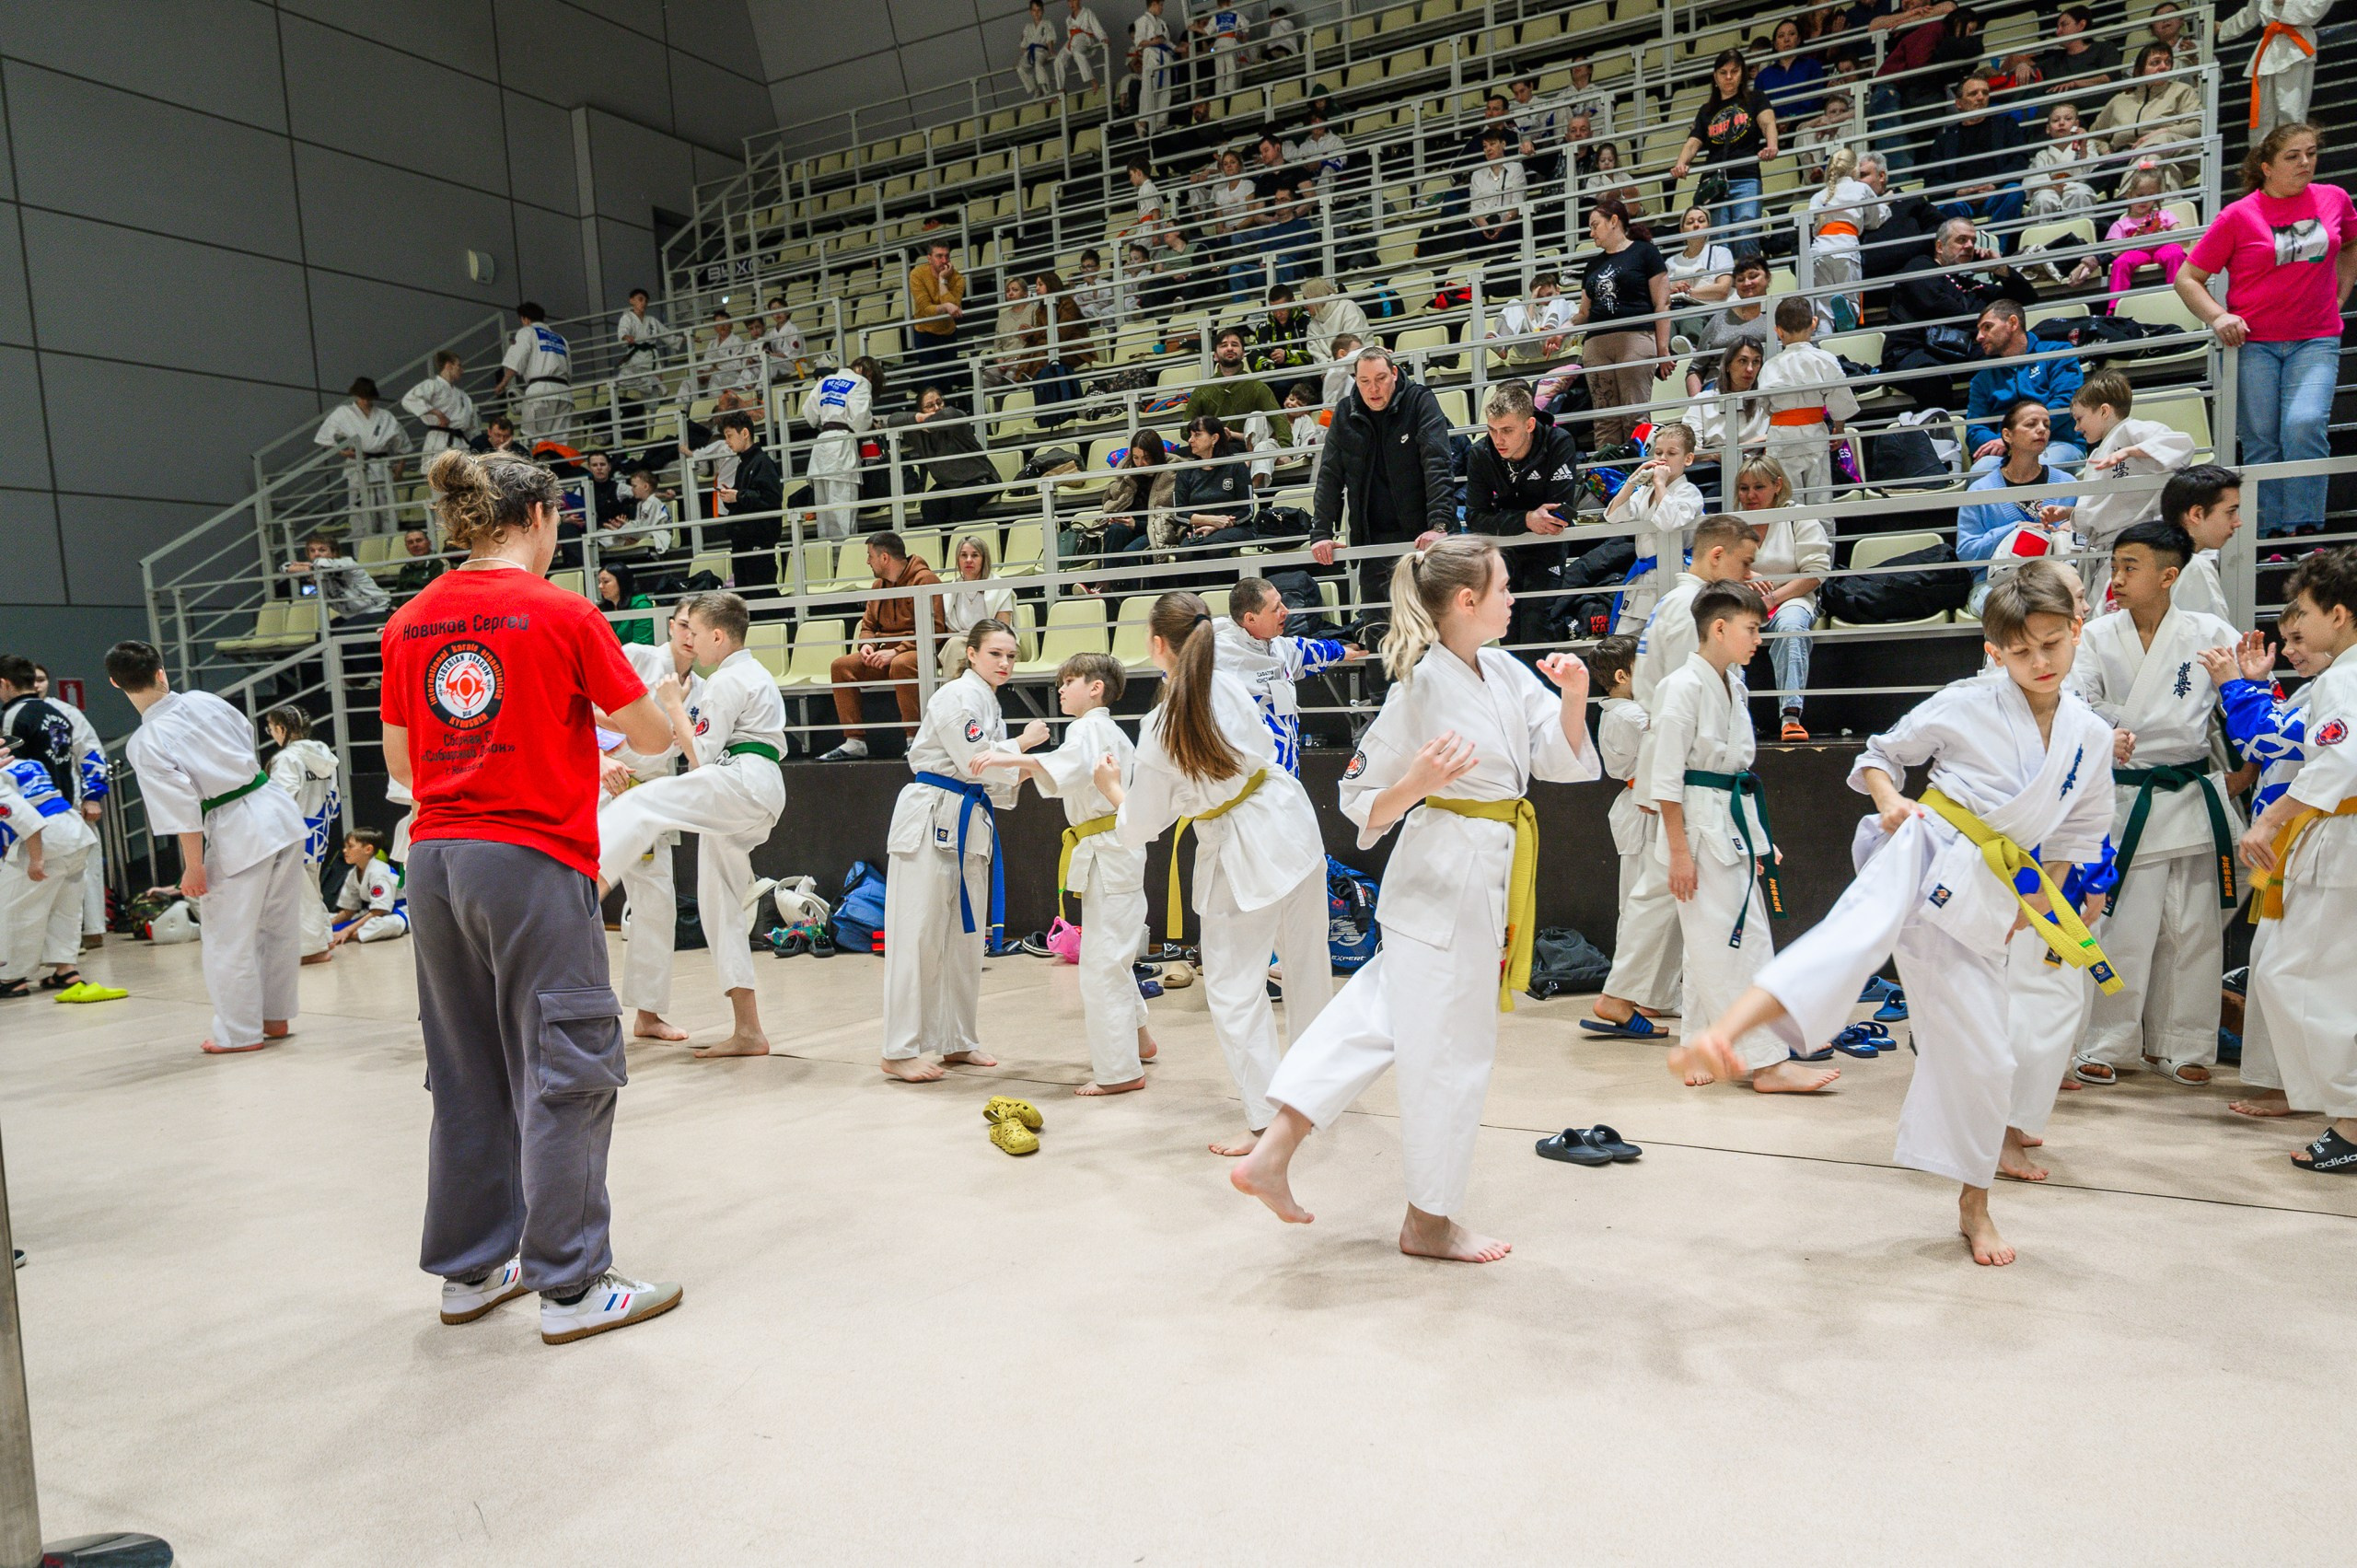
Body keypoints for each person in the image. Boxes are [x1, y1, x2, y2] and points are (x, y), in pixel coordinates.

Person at [1674, 563, 2119, 1266]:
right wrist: (1888, 801)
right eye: (2023, 649)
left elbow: (2073, 837)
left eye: (2052, 644)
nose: (2039, 661)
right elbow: (1880, 756)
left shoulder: (2090, 736)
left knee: (1988, 1058)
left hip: (1989, 894)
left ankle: (1975, 1207)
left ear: (2076, 632)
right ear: (1996, 649)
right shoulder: (1968, 701)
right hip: (1925, 844)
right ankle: (1726, 1032)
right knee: (1849, 939)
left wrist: (2035, 906)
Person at [377, 447, 684, 1344]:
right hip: (528, 855)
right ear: (540, 518)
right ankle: (572, 1281)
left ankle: (472, 1269)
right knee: (566, 1056)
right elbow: (650, 738)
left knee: (466, 1065)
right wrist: (656, 702)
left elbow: (400, 763)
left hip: (433, 858)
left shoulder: (409, 622)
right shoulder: (561, 612)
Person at [1231, 537, 1596, 1259]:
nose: (1512, 596)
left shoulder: (1501, 668)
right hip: (1442, 879)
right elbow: (1360, 801)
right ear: (1467, 601)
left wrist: (1577, 694)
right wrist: (1417, 782)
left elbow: (1557, 756)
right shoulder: (1420, 687)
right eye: (1502, 586)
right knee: (1449, 1052)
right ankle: (1428, 1219)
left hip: (1474, 875)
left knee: (1373, 1015)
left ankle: (1272, 1152)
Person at [1091, 593, 1333, 1154]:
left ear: (1156, 644)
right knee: (1306, 969)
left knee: (1232, 989)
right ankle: (1317, 1098)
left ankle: (1264, 1121)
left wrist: (1113, 792)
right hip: (1290, 822)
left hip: (1241, 847)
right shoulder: (1224, 685)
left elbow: (1142, 825)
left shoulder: (1162, 722)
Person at [2065, 519, 2241, 1087]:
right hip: (2124, 793)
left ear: (2169, 575)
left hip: (2189, 792)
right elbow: (2075, 701)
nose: (2114, 579)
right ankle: (2107, 1042)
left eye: (2129, 567)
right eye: (2114, 567)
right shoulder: (2094, 636)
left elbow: (2240, 703)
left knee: (2193, 927)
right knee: (2123, 927)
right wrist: (2103, 732)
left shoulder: (2210, 631)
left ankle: (2185, 1044)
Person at [1649, 578, 1835, 1094]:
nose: (1759, 638)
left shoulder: (1734, 684)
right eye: (1753, 629)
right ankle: (1767, 1063)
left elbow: (1736, 774)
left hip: (1729, 821)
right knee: (1739, 942)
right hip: (1697, 828)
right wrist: (1679, 853)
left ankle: (1696, 1046)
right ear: (1720, 627)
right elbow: (1665, 780)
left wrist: (1756, 838)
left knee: (1710, 943)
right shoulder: (1681, 687)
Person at [1585, 515, 1759, 1038]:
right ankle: (1634, 997)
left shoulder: (1676, 601)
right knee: (1665, 885)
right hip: (1684, 770)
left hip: (1675, 764)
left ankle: (1630, 995)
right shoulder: (1693, 613)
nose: (1749, 575)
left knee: (1660, 889)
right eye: (1745, 563)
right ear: (1716, 555)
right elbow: (1689, 695)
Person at [596, 592, 784, 1061]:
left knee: (641, 805)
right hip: (748, 790)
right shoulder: (742, 673)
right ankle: (748, 1029)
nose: (690, 642)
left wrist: (673, 706)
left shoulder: (722, 681)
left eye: (696, 633)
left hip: (737, 780)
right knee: (718, 902)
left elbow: (699, 761)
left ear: (717, 636)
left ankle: (586, 885)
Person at [107, 640, 307, 1053]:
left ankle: (239, 1033)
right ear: (161, 671)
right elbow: (245, 734)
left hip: (237, 829)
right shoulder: (204, 700)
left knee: (227, 938)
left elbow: (182, 809)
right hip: (277, 811)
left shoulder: (146, 742)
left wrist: (193, 867)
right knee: (278, 927)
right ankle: (275, 1018)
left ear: (115, 683)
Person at [979, 652, 1158, 1095]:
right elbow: (1070, 771)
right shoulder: (1109, 731)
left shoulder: (1090, 727)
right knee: (1111, 955)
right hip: (1110, 850)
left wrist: (1006, 759)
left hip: (1109, 849)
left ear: (1096, 688)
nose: (1061, 689)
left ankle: (1121, 1072)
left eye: (1070, 680)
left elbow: (1065, 765)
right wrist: (1020, 771)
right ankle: (1141, 1040)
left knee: (1102, 965)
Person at [877, 620, 1046, 1080]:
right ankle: (898, 1048)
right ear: (971, 654)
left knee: (964, 941)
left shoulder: (988, 704)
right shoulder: (955, 697)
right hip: (932, 813)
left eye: (1011, 656)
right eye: (995, 654)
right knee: (918, 933)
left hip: (970, 819)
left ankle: (957, 1041)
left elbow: (992, 773)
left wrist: (1027, 767)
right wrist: (1025, 747)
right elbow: (977, 760)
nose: (1005, 663)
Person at [2177, 123, 2355, 540]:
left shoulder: (2335, 198)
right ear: (2267, 167)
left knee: (2304, 424)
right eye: (2293, 156)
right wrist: (2219, 317)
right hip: (2253, 343)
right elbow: (2188, 277)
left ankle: (2305, 532)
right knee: (2260, 441)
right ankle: (2268, 535)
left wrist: (2343, 292)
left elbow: (2350, 243)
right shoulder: (2239, 215)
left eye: (2311, 153)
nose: (2306, 163)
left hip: (2316, 337)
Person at [2240, 546, 2357, 1171]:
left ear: (2337, 614)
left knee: (2302, 977)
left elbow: (2338, 761)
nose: (2297, 633)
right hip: (2341, 835)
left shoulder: (2344, 676)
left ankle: (2352, 1121)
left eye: (2303, 617)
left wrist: (2271, 817)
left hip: (2344, 843)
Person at [598, 602, 702, 1045]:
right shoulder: (637, 655)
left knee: (657, 902)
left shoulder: (701, 688)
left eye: (698, 629)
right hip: (607, 778)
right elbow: (581, 706)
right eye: (682, 626)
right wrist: (599, 757)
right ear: (671, 627)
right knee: (585, 890)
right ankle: (581, 1006)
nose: (688, 636)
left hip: (654, 789)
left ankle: (649, 1013)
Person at [1308, 346, 1458, 614]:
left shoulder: (1420, 401)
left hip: (1422, 539)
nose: (1373, 389)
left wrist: (1439, 524)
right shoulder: (1344, 413)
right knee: (1380, 636)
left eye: (1380, 379)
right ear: (1356, 380)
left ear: (1394, 373)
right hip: (1372, 544)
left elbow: (1437, 464)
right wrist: (1321, 533)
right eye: (1365, 381)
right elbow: (1329, 475)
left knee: (1429, 631)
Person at [1464, 380, 1582, 650]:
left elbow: (1558, 515)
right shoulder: (1481, 453)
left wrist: (1506, 516)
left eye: (1507, 430)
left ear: (1529, 425)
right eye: (1492, 430)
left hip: (1547, 550)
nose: (1498, 440)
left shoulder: (1558, 442)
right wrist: (1527, 519)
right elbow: (1475, 517)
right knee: (1508, 631)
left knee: (1537, 628)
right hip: (1504, 552)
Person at [2053, 368, 2198, 587]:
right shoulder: (2098, 452)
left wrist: (2131, 452)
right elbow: (2105, 506)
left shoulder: (2132, 430)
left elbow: (2183, 445)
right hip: (2108, 546)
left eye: (2079, 418)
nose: (2076, 427)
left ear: (2104, 411)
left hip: (2139, 541)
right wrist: (2071, 515)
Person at [1584, 634, 1664, 1007]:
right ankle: (1630, 994)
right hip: (1640, 808)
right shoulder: (1630, 714)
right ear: (1621, 675)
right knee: (1639, 907)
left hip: (1643, 805)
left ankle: (1649, 993)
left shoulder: (1621, 710)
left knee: (1646, 906)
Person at [1213, 576, 1364, 772]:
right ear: (1251, 618)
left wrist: (1342, 651)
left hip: (1287, 768)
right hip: (1247, 773)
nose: (1286, 611)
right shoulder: (1216, 652)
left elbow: (1308, 650)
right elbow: (1176, 676)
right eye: (1276, 608)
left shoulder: (1277, 644)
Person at [819, 533, 946, 760]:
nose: (868, 561)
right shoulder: (878, 585)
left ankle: (915, 739)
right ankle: (854, 741)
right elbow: (867, 625)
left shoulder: (925, 580)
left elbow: (935, 630)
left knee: (901, 664)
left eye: (870, 556)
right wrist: (867, 644)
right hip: (886, 653)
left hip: (920, 651)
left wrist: (897, 650)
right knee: (841, 666)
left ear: (885, 557)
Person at [1736, 457, 1831, 741]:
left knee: (1791, 626)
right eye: (1743, 488)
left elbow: (1816, 573)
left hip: (1794, 596)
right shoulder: (1735, 523)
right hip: (1745, 603)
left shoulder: (1798, 516)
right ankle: (1735, 720)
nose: (1749, 496)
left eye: (1758, 487)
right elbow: (1717, 566)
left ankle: (1790, 716)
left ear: (1778, 486)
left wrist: (1773, 598)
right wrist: (1744, 571)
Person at [0, 738, 99, 999]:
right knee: (64, 907)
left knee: (14, 909)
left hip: (45, 840)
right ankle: (66, 970)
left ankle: (10, 978)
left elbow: (24, 816)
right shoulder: (28, 764)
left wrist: (36, 858)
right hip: (75, 834)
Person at [1959, 400, 2081, 610]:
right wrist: (2013, 530)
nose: (2042, 429)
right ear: (2007, 435)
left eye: (2046, 425)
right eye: (2031, 424)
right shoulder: (1980, 490)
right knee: (2015, 610)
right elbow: (1967, 552)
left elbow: (2088, 538)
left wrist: (2070, 533)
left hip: (2054, 581)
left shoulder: (2067, 484)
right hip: (1994, 584)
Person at [1571, 199, 1670, 452]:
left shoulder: (1645, 252)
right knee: (1604, 420)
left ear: (1614, 221)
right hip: (1596, 344)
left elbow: (1662, 302)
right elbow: (1584, 312)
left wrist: (1663, 350)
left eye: (1595, 225)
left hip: (1635, 338)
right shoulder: (1593, 265)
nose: (1591, 233)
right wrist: (1560, 330)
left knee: (1635, 416)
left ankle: (1639, 480)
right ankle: (1607, 484)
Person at [26, 662, 107, 946]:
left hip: (70, 802)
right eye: (30, 680)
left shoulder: (66, 712)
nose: (36, 685)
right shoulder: (12, 715)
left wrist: (93, 796)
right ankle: (48, 942)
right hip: (28, 808)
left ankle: (93, 930)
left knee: (86, 868)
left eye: (41, 679)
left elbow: (91, 752)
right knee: (37, 872)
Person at [1670, 50, 1779, 260]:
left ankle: (1750, 284)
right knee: (1720, 241)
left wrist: (1772, 145)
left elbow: (1767, 122)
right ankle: (1726, 287)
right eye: (1723, 72)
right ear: (1715, 77)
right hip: (1715, 182)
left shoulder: (1756, 98)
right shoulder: (1706, 111)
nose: (1729, 77)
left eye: (1734, 71)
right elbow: (1693, 142)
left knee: (1747, 232)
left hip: (1746, 176)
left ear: (1742, 74)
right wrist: (1681, 164)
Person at [1754, 296, 1858, 503]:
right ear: (1814, 323)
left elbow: (1765, 405)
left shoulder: (1770, 367)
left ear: (1778, 331)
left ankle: (1792, 536)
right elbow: (1840, 400)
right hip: (1814, 433)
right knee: (1820, 499)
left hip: (1781, 435)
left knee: (1787, 501)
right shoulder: (1824, 359)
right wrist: (1839, 428)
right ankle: (1822, 535)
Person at [1606, 423, 1705, 634]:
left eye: (1672, 453)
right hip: (1644, 578)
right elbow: (1614, 516)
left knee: (1668, 644)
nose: (1663, 458)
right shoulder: (1644, 492)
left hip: (1676, 573)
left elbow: (1669, 522)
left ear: (1688, 459)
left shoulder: (1689, 492)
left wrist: (1660, 484)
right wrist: (1632, 482)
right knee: (1623, 641)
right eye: (1659, 452)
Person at [261, 704, 340, 964]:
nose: (271, 733)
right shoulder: (323, 755)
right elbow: (334, 799)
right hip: (319, 832)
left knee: (300, 893)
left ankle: (313, 949)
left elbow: (282, 801)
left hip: (293, 834)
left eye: (271, 728)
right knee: (311, 889)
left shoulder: (286, 759)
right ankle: (325, 937)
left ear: (282, 729)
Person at [1965, 300, 2085, 468]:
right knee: (1981, 469)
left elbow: (2066, 404)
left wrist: (2016, 439)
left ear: (2013, 323)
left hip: (2058, 443)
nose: (1979, 337)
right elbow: (1975, 430)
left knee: (2038, 466)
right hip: (2006, 451)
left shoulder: (2057, 354)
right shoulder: (1982, 379)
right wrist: (2008, 444)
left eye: (1987, 327)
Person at [2093, 43, 2201, 189]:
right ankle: (2151, 206)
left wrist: (2162, 132)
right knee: (2168, 173)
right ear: (2140, 70)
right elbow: (2095, 134)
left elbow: (2198, 126)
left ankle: (2127, 198)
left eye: (2168, 62)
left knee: (2160, 141)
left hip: (2179, 153)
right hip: (2130, 160)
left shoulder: (2182, 90)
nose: (2164, 67)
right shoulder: (2119, 100)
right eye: (2155, 62)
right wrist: (2106, 152)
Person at [314, 377, 412, 537]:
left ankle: (393, 553)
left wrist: (400, 468)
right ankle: (363, 554)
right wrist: (342, 452)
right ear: (356, 395)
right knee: (361, 514)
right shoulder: (343, 413)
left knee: (389, 512)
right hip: (358, 466)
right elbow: (324, 438)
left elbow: (403, 445)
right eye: (362, 397)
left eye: (368, 397)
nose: (365, 401)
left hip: (382, 467)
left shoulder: (385, 416)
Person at [1925, 75, 2028, 226]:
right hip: (1960, 200)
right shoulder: (1945, 139)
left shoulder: (2005, 126)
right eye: (1973, 93)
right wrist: (1959, 191)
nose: (1981, 97)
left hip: (1996, 193)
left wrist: (1994, 185)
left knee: (2014, 191)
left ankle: (1997, 246)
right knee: (1946, 207)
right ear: (1958, 103)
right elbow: (1932, 180)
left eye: (1985, 93)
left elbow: (2020, 160)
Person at [2152, 466, 2245, 625]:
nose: (2237, 522)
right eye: (2230, 512)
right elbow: (2215, 642)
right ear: (2196, 514)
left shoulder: (2130, 562)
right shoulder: (2193, 566)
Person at [798, 356, 878, 543]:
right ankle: (842, 563)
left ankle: (828, 565)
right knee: (844, 517)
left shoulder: (826, 380)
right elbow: (860, 422)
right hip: (842, 446)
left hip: (821, 447)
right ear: (869, 373)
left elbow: (809, 414)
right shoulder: (860, 382)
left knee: (824, 519)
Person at [1806, 146, 1887, 330]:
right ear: (1854, 169)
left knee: (1823, 311)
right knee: (1851, 299)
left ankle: (1824, 340)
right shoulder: (1861, 189)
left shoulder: (1818, 196)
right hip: (1846, 246)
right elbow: (1876, 219)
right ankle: (1848, 310)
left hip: (1819, 250)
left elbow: (1813, 228)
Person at [2218, 0, 2326, 133]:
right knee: (2264, 112)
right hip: (2270, 45)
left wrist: (2287, 3)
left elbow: (2316, 8)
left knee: (2290, 108)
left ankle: (2291, 149)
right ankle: (2263, 151)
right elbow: (2252, 11)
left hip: (2295, 47)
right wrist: (2222, 27)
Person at [2096, 170, 2190, 309]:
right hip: (2137, 252)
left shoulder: (2164, 215)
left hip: (2162, 248)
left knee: (2175, 252)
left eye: (2150, 196)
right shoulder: (2121, 223)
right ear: (2129, 195)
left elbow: (2184, 241)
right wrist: (2135, 238)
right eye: (2140, 195)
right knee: (2121, 262)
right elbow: (2112, 251)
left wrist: (2163, 234)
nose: (2144, 200)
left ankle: (2178, 297)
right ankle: (2116, 306)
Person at [1684, 261, 1771, 397]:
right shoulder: (1719, 319)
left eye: (1753, 276)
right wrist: (1697, 404)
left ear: (1768, 278)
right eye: (1741, 280)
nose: (1747, 283)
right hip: (1716, 389)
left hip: (1765, 387)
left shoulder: (1780, 316)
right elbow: (1695, 369)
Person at [491, 301, 574, 444]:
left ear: (525, 319)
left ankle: (539, 465)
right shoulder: (561, 339)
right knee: (559, 442)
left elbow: (517, 358)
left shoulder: (527, 331)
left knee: (533, 437)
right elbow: (569, 370)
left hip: (540, 391)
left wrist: (503, 383)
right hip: (564, 392)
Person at [940, 535, 1016, 679]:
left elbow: (1002, 629)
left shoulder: (999, 586)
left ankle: (953, 696)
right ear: (958, 559)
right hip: (964, 644)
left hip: (998, 645)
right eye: (964, 555)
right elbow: (951, 631)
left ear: (984, 559)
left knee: (955, 646)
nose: (968, 560)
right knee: (955, 645)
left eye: (975, 555)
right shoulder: (951, 590)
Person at [283, 532, 393, 627]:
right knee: (322, 635)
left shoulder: (346, 563)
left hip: (377, 609)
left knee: (344, 634)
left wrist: (307, 567)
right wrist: (309, 568)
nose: (316, 554)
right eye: (312, 551)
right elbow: (285, 567)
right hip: (351, 615)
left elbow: (322, 564)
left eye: (322, 550)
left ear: (334, 553)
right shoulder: (314, 571)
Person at [328, 828, 408, 947]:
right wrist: (327, 926)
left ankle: (346, 934)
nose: (345, 851)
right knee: (327, 917)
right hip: (374, 912)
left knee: (385, 925)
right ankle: (336, 932)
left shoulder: (379, 872)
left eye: (350, 846)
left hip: (397, 913)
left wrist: (347, 930)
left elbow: (379, 911)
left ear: (368, 849)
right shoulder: (354, 872)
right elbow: (349, 910)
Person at [1466, 127, 1527, 272]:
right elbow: (1475, 209)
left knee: (1507, 236)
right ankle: (1474, 276)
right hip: (1485, 225)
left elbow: (1517, 204)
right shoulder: (1477, 175)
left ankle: (1510, 273)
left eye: (1492, 144)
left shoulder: (1516, 168)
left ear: (1503, 144)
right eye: (1485, 146)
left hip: (1509, 223)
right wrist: (1486, 228)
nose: (1488, 149)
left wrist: (1501, 226)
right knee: (1473, 239)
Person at [1485, 271, 1575, 370]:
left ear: (1557, 289)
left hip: (1555, 345)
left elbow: (1575, 325)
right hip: (1529, 348)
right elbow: (1529, 322)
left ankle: (1550, 330)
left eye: (1549, 294)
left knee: (1558, 300)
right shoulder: (1533, 311)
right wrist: (1533, 299)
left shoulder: (1568, 304)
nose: (1546, 300)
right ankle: (1502, 345)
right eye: (1540, 297)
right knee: (1514, 302)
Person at [2024, 102, 2101, 218]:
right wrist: (2053, 186)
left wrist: (2083, 147)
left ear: (2077, 125)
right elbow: (2033, 184)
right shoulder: (2042, 155)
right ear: (2048, 129)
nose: (2061, 123)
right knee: (2042, 199)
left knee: (2079, 192)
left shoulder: (2087, 145)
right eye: (2055, 120)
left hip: (2078, 186)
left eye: (2068, 119)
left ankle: (2081, 232)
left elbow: (2094, 174)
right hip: (2050, 189)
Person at [402, 353, 480, 459]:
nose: (462, 370)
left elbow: (470, 426)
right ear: (448, 365)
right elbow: (408, 400)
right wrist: (436, 413)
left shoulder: (463, 396)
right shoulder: (432, 385)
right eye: (459, 366)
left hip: (461, 443)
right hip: (439, 440)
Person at [1663, 206, 1736, 315]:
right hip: (1676, 312)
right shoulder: (1670, 262)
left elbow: (1722, 290)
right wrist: (1672, 289)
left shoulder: (1721, 252)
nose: (1696, 225)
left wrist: (1686, 292)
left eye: (1701, 221)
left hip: (1711, 312)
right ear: (1681, 230)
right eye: (1690, 222)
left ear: (1708, 227)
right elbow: (1662, 295)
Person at [908, 239, 966, 371]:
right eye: (939, 256)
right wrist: (945, 307)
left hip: (948, 332)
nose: (944, 260)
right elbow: (927, 309)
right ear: (929, 258)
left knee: (947, 381)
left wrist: (942, 280)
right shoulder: (917, 274)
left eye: (947, 256)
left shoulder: (958, 279)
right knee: (931, 380)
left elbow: (954, 307)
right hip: (925, 332)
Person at [1755, 18, 1828, 120]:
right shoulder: (1762, 76)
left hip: (1807, 126)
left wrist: (1793, 118)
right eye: (1781, 36)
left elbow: (1815, 100)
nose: (1786, 39)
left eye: (1791, 34)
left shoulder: (1812, 66)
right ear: (1775, 45)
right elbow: (1760, 108)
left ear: (1798, 40)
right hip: (1774, 129)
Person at [614, 288, 669, 414]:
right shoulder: (627, 318)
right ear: (631, 301)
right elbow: (623, 331)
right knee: (621, 380)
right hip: (635, 359)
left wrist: (685, 338)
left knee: (653, 405)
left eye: (646, 301)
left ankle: (654, 428)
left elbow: (667, 333)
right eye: (640, 299)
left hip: (651, 360)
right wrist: (625, 337)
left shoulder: (651, 320)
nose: (643, 303)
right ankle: (654, 381)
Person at [1301, 278, 1371, 364]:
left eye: (1306, 299)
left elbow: (1354, 344)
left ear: (1316, 297)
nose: (1304, 305)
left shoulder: (1348, 307)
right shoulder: (1312, 325)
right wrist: (1328, 369)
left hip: (1361, 362)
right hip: (1328, 371)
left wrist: (1332, 366)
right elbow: (1317, 355)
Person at [1132, 0, 1177, 131]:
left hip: (1165, 56)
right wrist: (1153, 41)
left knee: (1165, 90)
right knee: (1149, 87)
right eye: (1160, 5)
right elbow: (1139, 42)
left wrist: (1178, 48)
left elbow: (1168, 42)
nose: (1162, 8)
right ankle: (1143, 122)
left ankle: (1161, 122)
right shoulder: (1142, 20)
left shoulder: (1162, 23)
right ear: (1153, 4)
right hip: (1151, 54)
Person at [595, 564, 656, 645]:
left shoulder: (641, 605)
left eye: (606, 582)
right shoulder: (602, 609)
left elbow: (642, 645)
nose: (600, 586)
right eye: (599, 582)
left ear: (622, 582)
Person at [1057, 0, 1109, 92]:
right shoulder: (1068, 19)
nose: (1071, 4)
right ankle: (1061, 88)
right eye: (1069, 1)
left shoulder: (1087, 13)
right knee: (1058, 60)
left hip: (1084, 38)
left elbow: (1096, 27)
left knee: (1077, 53)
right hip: (1072, 40)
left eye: (1073, 0)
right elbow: (1070, 36)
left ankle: (1093, 80)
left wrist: (1103, 38)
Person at [1017, 0, 1059, 96]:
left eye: (1038, 10)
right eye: (1034, 10)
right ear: (1031, 12)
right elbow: (1023, 45)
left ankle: (1046, 90)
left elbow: (1050, 38)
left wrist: (1051, 50)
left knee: (1037, 63)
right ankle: (1036, 90)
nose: (1036, 13)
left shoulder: (1047, 23)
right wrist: (1023, 57)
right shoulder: (1027, 27)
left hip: (1042, 50)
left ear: (1042, 11)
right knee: (1020, 67)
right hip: (1030, 52)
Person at [394, 528, 447, 598]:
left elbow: (439, 593)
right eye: (410, 542)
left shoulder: (440, 564)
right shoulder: (405, 569)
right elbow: (397, 596)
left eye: (419, 540)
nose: (415, 545)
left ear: (429, 543)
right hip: (406, 607)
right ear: (406, 547)